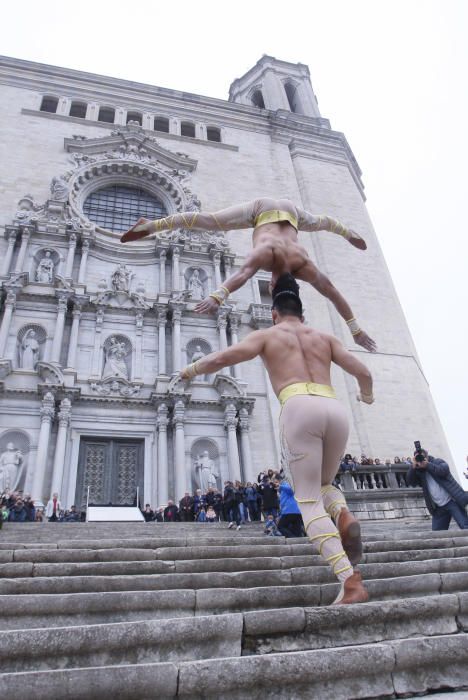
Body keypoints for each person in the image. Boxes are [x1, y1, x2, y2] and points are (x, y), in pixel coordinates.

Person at [180, 273, 374, 604]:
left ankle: (349, 580)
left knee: (308, 498)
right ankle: (342, 513)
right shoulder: (324, 338)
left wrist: (190, 371)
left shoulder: (269, 334)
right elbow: (364, 373)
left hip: (298, 407)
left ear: (274, 313)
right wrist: (365, 397)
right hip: (334, 407)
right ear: (303, 313)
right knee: (326, 484)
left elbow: (223, 357)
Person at [120, 197, 375, 352]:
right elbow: (242, 275)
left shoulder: (302, 264)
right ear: (274, 286)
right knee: (211, 222)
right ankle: (151, 225)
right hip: (261, 210)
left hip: (291, 212)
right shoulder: (273, 257)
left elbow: (333, 293)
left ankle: (347, 231)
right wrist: (216, 297)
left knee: (321, 223)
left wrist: (356, 329)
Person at [406, 448, 468, 530]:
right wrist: (412, 467)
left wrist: (427, 465)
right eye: (418, 458)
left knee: (465, 526)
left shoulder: (437, 461)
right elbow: (411, 482)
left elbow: (443, 471)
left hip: (452, 501)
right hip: (438, 507)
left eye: (422, 457)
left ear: (427, 456)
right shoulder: (419, 472)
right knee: (437, 533)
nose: (421, 460)